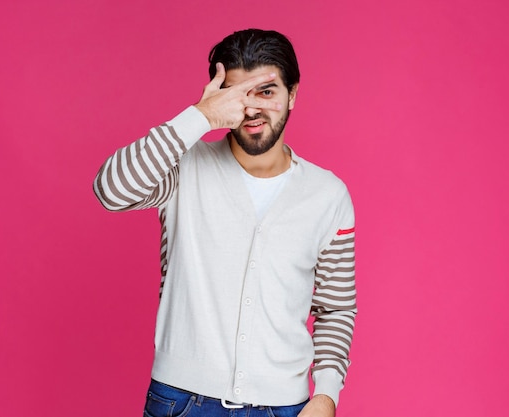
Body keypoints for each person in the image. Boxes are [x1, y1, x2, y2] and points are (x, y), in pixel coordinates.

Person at [94, 29, 356, 417]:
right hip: (181, 401)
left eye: (266, 91)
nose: (251, 109)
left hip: (286, 406)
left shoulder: (327, 195)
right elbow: (111, 190)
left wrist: (327, 394)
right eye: (237, 94)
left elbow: (335, 308)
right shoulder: (183, 167)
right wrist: (202, 116)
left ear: (292, 95)